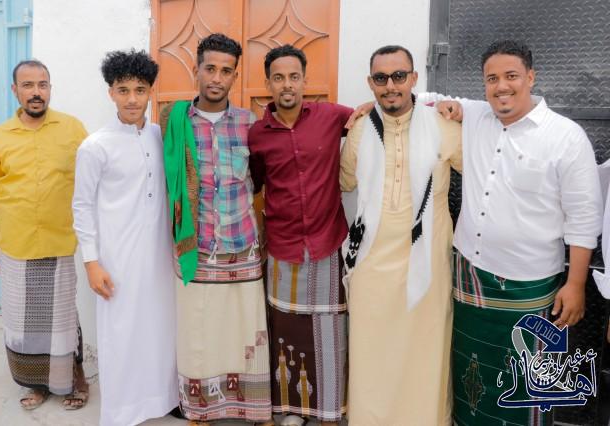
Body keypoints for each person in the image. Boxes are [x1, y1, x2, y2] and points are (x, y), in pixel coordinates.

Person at [437, 40, 602, 425]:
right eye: (491, 79)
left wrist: (576, 284)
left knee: (528, 381)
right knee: (471, 372)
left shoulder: (566, 136)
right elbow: (417, 99)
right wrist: (367, 109)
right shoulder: (476, 115)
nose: (501, 86)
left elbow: (583, 217)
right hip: (470, 275)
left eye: (511, 76)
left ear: (530, 77)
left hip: (530, 284)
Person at [339, 45, 462, 426]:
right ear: (370, 83)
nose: (390, 85)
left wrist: (458, 107)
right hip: (372, 261)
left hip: (427, 261)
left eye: (398, 76)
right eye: (381, 78)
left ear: (414, 78)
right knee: (372, 350)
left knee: (426, 349)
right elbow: (346, 181)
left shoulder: (443, 126)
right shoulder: (360, 129)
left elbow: (483, 164)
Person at [159, 33, 272, 425]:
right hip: (196, 247)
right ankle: (200, 409)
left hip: (242, 246)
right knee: (198, 332)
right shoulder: (174, 122)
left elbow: (259, 178)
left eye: (226, 71)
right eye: (210, 68)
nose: (217, 78)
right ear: (197, 70)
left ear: (235, 76)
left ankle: (252, 407)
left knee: (245, 331)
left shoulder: (248, 123)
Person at [72, 49, 178, 425]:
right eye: (123, 90)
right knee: (122, 334)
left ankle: (163, 399)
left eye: (140, 89)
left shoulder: (159, 136)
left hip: (159, 256)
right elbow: (82, 206)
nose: (132, 99)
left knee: (161, 329)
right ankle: (123, 411)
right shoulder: (95, 146)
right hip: (116, 258)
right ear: (111, 93)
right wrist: (92, 262)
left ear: (150, 92)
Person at [248, 45, 352, 426]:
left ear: (305, 80)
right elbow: (256, 182)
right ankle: (293, 408)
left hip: (327, 240)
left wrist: (439, 105)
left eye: (294, 77)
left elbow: (376, 116)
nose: (287, 85)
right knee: (285, 329)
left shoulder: (332, 116)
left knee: (330, 328)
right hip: (283, 244)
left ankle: (329, 412)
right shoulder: (258, 134)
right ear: (268, 84)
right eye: (278, 78)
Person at [0, 59, 89, 411]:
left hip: (59, 240)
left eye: (42, 84)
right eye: (28, 85)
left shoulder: (72, 129)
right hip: (15, 242)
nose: (36, 92)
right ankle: (36, 384)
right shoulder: (0, 136)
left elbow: (92, 179)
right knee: (23, 321)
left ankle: (74, 378)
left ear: (50, 88)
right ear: (15, 90)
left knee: (62, 318)